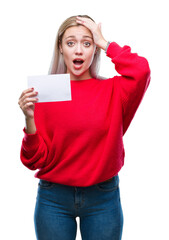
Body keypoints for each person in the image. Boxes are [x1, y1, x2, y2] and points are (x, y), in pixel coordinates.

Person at [18, 15, 151, 240]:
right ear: (61, 48)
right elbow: (34, 160)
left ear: (95, 50)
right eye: (71, 43)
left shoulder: (113, 91)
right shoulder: (46, 92)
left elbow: (141, 71)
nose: (78, 50)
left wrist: (106, 43)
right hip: (53, 199)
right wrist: (29, 119)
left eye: (87, 43)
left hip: (103, 198)